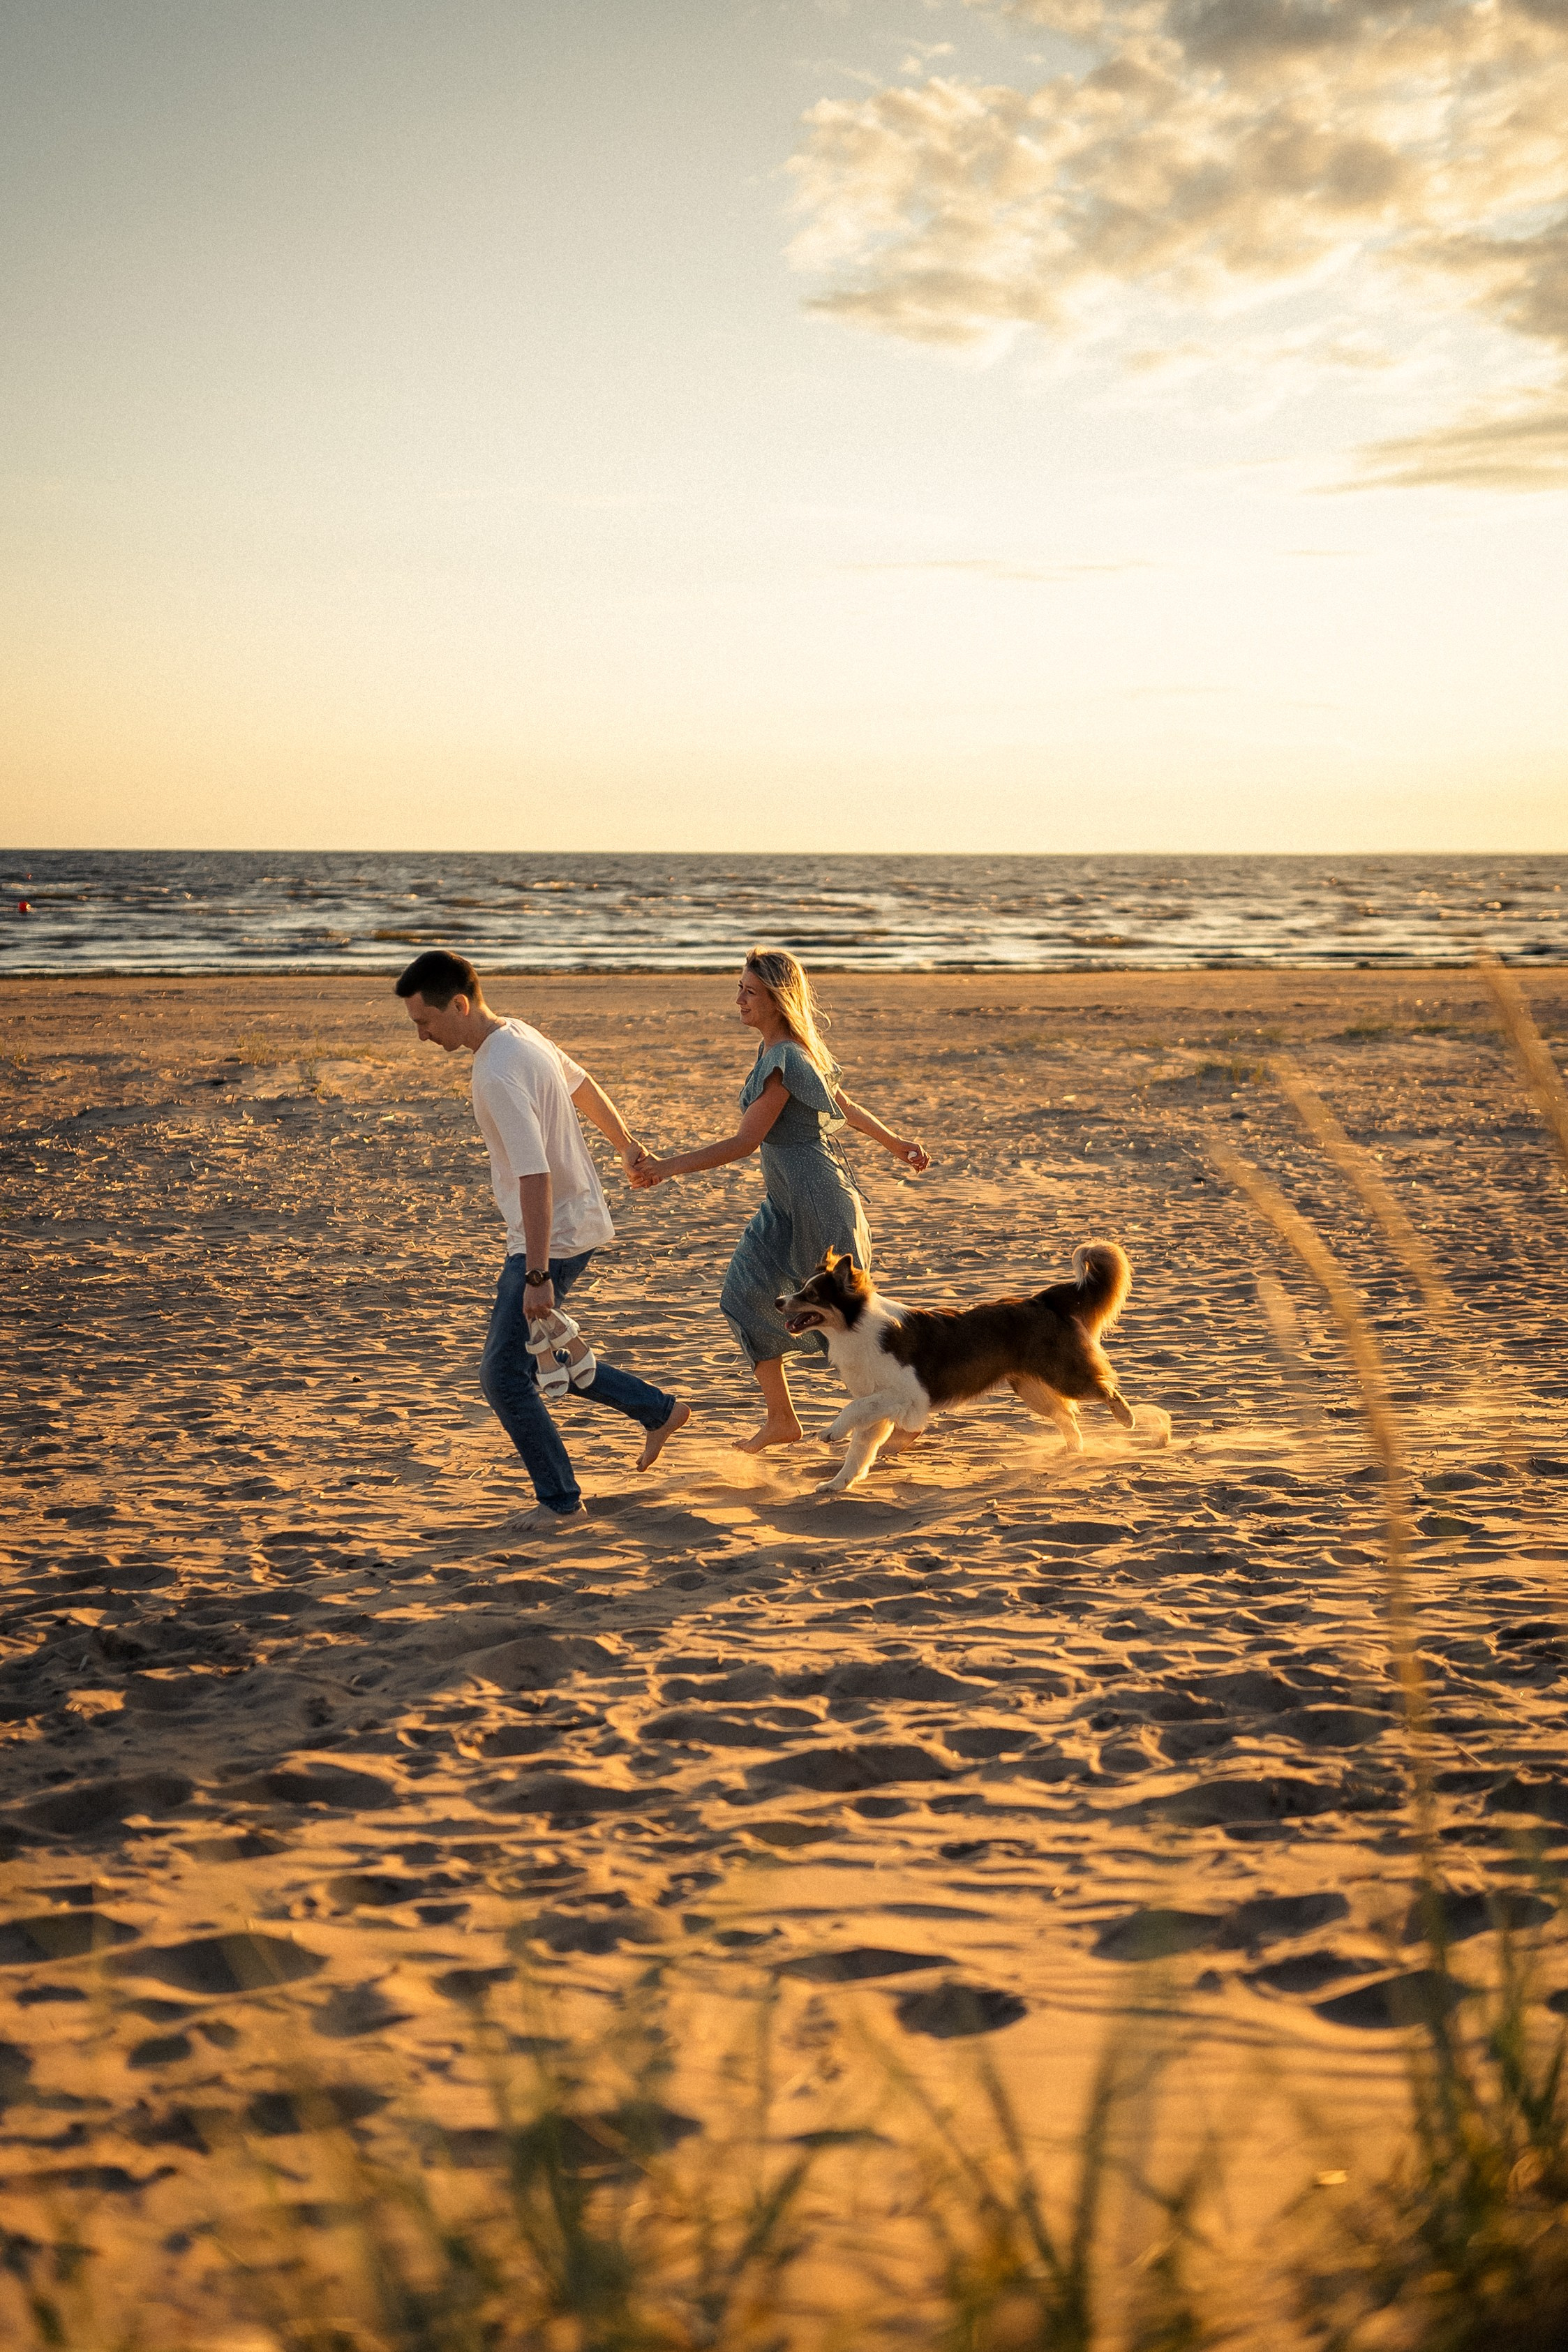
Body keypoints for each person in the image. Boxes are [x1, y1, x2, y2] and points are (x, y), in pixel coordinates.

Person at [396, 948, 689, 1530]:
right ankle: (657, 1411)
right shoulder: (520, 1036)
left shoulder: (497, 1072)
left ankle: (560, 1503)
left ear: (459, 1004)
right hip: (569, 1227)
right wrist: (624, 1144)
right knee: (534, 1360)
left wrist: (536, 1275)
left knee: (503, 1377)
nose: (423, 1037)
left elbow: (536, 1176)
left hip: (549, 1238)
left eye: (426, 1022)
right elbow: (582, 1085)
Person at [630, 947, 929, 1451]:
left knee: (854, 1325)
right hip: (784, 1203)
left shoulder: (787, 1056)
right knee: (742, 1296)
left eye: (749, 992)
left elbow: (747, 1141)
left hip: (818, 1200)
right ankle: (781, 1421)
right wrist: (896, 1145)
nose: (739, 1000)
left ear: (776, 998)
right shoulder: (780, 1050)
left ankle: (906, 1417)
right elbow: (842, 1105)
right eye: (740, 990)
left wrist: (667, 1166)